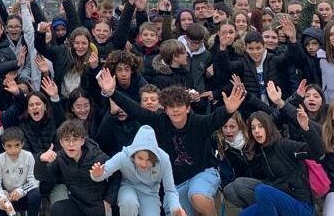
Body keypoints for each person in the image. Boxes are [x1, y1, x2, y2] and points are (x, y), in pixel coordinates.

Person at [99, 70, 246, 216]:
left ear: (188, 108)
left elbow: (215, 118)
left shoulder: (199, 123)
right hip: (176, 184)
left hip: (203, 173)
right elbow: (135, 110)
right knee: (177, 212)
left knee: (197, 197)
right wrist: (112, 92)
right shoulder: (159, 121)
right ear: (165, 109)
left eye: (180, 106)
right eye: (171, 107)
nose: (175, 110)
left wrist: (228, 110)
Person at [90, 124, 184, 216]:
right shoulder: (124, 156)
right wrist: (97, 174)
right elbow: (105, 171)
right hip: (128, 186)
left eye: (149, 160)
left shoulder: (163, 159)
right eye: (140, 158)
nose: (143, 164)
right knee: (129, 202)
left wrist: (175, 208)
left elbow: (170, 190)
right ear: (134, 154)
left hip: (150, 193)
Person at [35, 119, 120, 216]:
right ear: (61, 143)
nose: (71, 144)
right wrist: (41, 160)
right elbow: (42, 177)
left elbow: (116, 175)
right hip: (76, 203)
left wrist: (108, 201)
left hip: (97, 205)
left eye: (75, 139)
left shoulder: (97, 156)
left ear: (82, 141)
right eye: (66, 140)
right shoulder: (60, 158)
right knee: (56, 209)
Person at [0, 126, 41, 216]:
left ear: (22, 144)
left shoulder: (28, 156)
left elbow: (34, 181)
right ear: (3, 146)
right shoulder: (0, 159)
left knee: (35, 194)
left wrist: (20, 191)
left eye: (17, 145)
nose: (13, 150)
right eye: (9, 146)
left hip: (24, 196)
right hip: (8, 198)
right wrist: (1, 198)